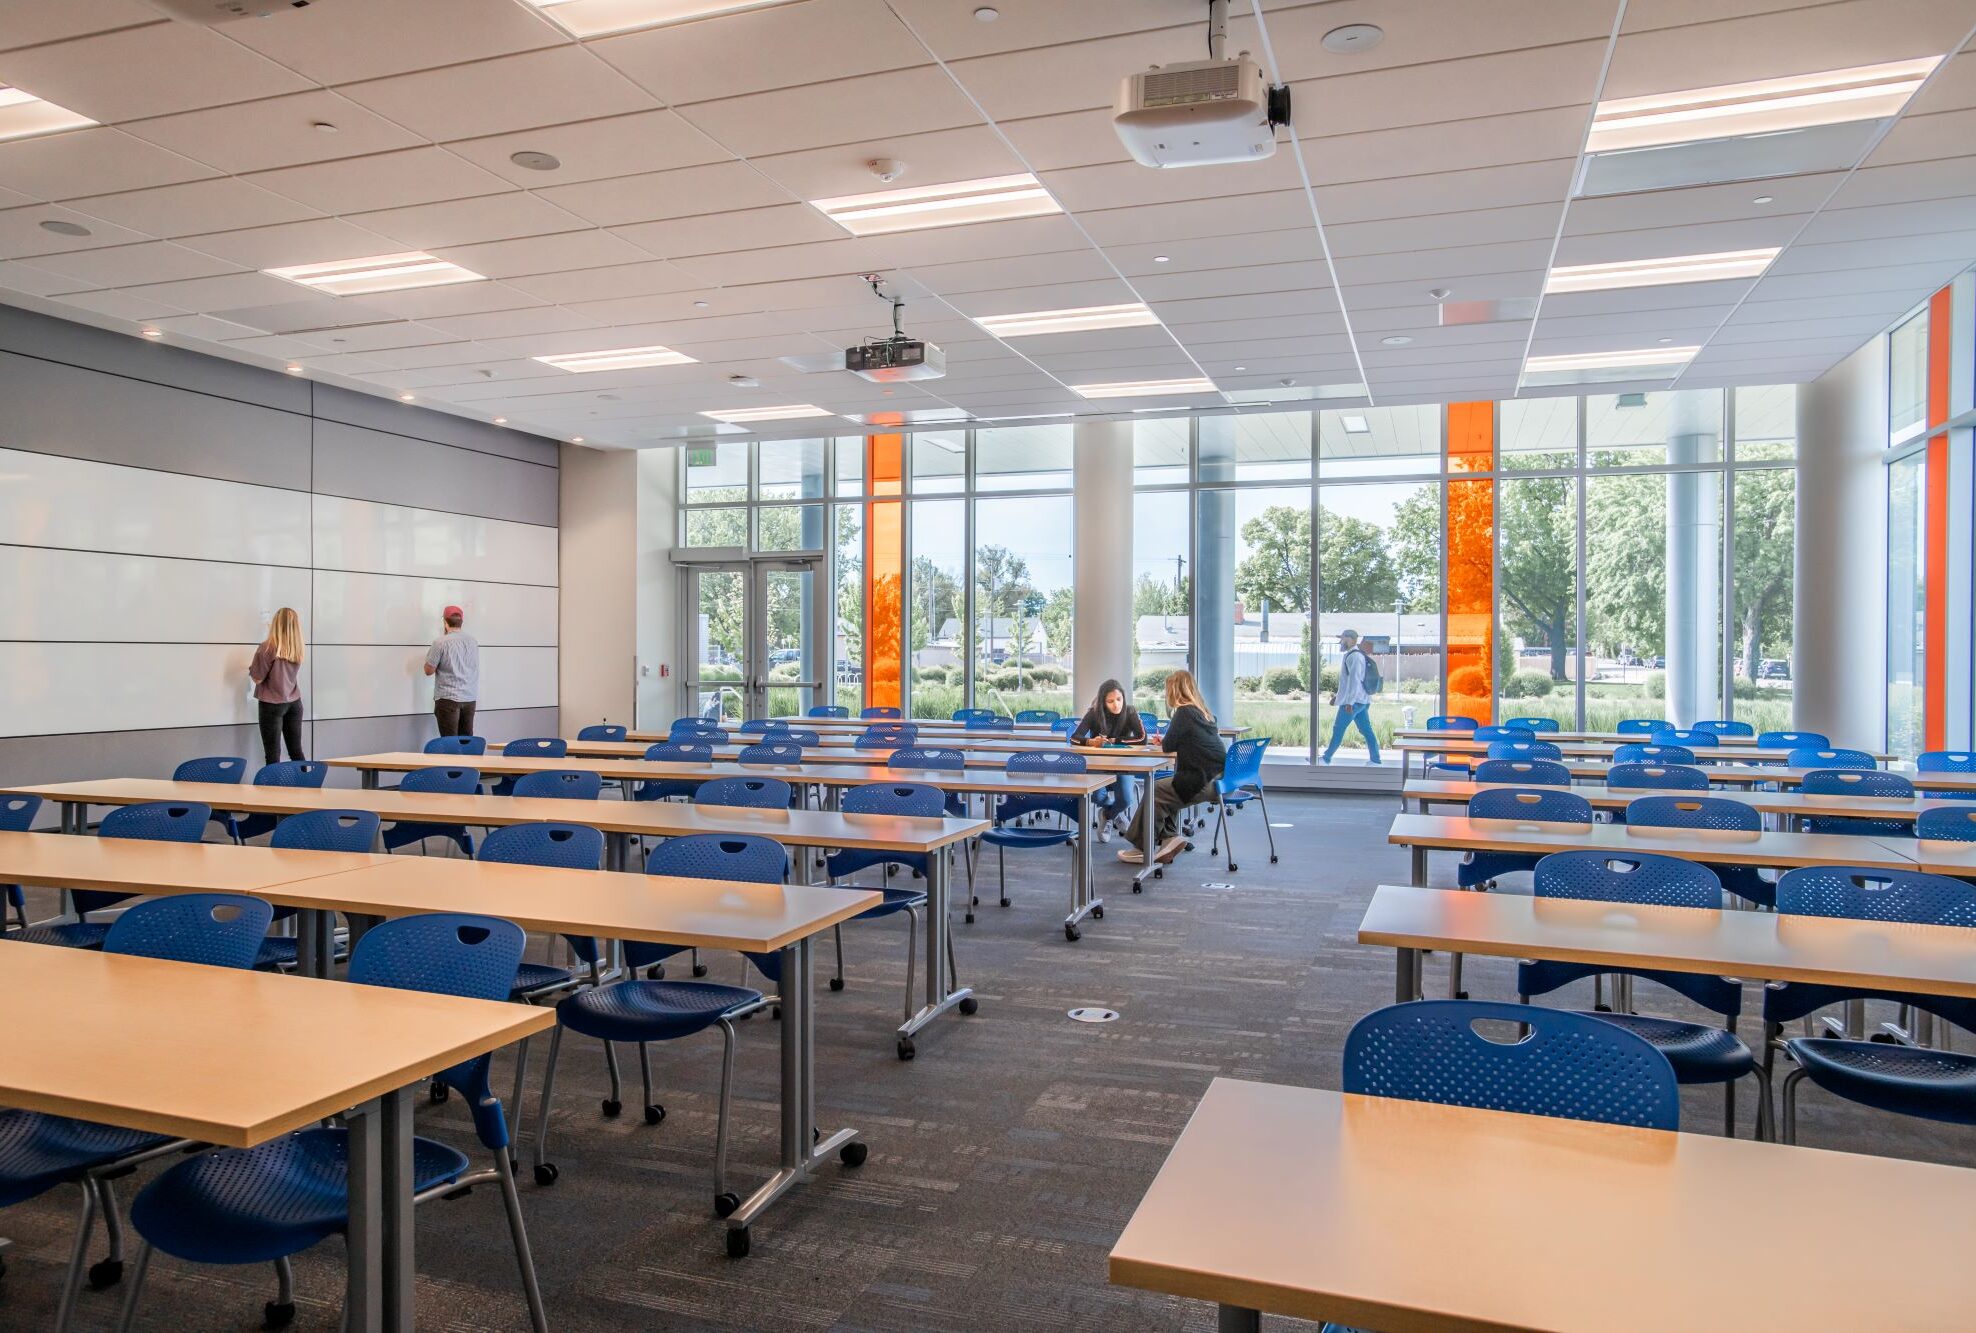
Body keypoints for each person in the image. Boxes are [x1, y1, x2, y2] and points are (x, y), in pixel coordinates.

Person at [1119, 669, 1225, 863]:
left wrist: (1164, 742)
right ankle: (1169, 839)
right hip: (1218, 777)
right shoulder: (1203, 712)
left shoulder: (1184, 713)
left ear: (1175, 691)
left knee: (1155, 790)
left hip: (1203, 781)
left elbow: (1168, 745)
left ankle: (1143, 847)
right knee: (1167, 787)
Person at [1069, 678, 1147, 842]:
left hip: (1123, 763)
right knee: (1096, 796)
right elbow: (1074, 738)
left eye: (1119, 699)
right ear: (1103, 702)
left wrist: (1115, 741)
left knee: (1126, 800)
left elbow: (1142, 739)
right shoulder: (1094, 713)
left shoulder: (1131, 711)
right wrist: (1090, 742)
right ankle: (1115, 814)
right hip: (1098, 763)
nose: (1116, 704)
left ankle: (1108, 814)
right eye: (1110, 701)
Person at [248, 607, 307, 765]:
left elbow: (257, 678)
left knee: (273, 755)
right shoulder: (298, 647)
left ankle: (275, 790)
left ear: (275, 623)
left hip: (271, 704)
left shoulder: (267, 647)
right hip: (294, 703)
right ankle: (307, 785)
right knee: (296, 751)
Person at [1322, 628, 1380, 765]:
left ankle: (1326, 758)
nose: (1341, 642)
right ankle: (1375, 760)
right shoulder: (1354, 655)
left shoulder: (1354, 656)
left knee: (1338, 728)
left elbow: (1354, 681)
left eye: (1342, 639)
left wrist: (1349, 702)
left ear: (1351, 639)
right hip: (1362, 701)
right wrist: (1338, 697)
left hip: (1354, 703)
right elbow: (1348, 682)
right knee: (1366, 731)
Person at [425, 604, 480, 737]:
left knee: (449, 744)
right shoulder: (473, 642)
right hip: (469, 699)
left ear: (445, 622)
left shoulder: (440, 643)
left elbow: (428, 670)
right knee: (467, 743)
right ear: (461, 622)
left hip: (448, 699)